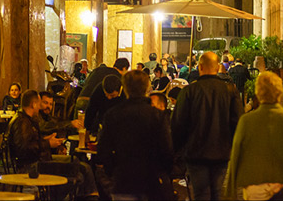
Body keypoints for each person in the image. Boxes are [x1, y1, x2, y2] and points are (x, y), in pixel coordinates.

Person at [225, 71, 283, 200]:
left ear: (258, 93)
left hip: (254, 184)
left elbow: (236, 153)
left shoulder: (246, 121)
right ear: (279, 91)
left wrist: (230, 189)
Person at [172, 51, 243, 200]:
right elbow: (238, 122)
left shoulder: (189, 91)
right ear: (217, 67)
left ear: (200, 67)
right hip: (221, 151)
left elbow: (178, 124)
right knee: (217, 192)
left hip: (195, 152)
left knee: (200, 194)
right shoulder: (230, 91)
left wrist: (179, 150)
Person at [97, 70, 174, 200]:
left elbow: (103, 149)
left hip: (123, 179)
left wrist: (112, 170)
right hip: (151, 181)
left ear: (125, 88)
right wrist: (163, 172)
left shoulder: (113, 115)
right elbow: (167, 149)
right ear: (146, 88)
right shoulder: (157, 116)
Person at [8, 90, 62, 170]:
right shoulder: (22, 122)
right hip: (33, 166)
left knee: (77, 164)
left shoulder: (28, 119)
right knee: (79, 168)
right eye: (39, 104)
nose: (39, 107)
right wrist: (47, 144)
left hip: (40, 161)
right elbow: (23, 149)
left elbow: (30, 141)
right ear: (33, 105)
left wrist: (46, 139)